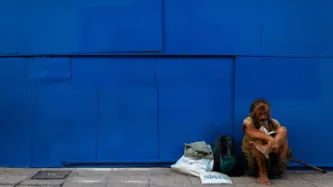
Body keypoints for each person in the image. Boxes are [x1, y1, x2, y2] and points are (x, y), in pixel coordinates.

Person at [241, 99, 292, 185]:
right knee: (257, 142)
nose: (263, 116)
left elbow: (282, 140)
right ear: (253, 113)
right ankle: (262, 174)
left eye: (265, 114)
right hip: (256, 164)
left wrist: (272, 144)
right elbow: (251, 131)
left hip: (274, 160)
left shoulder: (274, 123)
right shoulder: (248, 121)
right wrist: (270, 139)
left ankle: (267, 150)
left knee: (283, 130)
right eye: (260, 114)